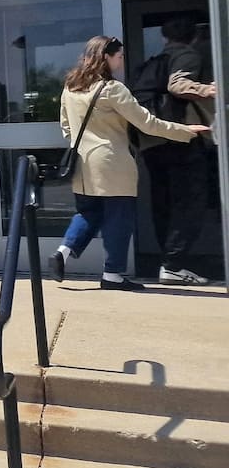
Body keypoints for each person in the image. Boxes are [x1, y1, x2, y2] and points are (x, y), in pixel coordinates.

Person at [46, 36, 208, 291]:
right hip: (113, 163)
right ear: (106, 57)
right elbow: (148, 123)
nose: (121, 61)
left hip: (83, 164)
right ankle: (112, 275)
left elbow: (66, 128)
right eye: (119, 56)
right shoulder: (112, 89)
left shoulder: (71, 88)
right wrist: (185, 131)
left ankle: (63, 252)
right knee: (119, 219)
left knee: (88, 213)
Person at [139, 17, 217, 285]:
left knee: (163, 204)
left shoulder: (156, 60)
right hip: (181, 140)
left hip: (153, 142)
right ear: (194, 37)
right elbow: (178, 85)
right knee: (190, 202)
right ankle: (173, 264)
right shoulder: (187, 55)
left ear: (164, 38)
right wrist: (212, 89)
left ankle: (168, 262)